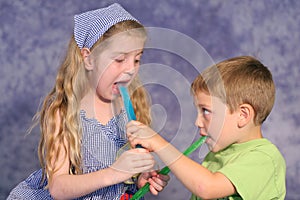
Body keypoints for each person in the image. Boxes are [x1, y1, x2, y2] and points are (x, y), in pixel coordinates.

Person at [8, 3, 169, 200]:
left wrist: (140, 176)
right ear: (89, 58)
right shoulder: (64, 112)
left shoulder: (134, 104)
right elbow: (58, 188)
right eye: (120, 59)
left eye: (136, 60)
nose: (130, 69)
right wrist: (114, 173)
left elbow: (128, 175)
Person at [127, 56, 286, 200]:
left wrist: (159, 143)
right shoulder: (218, 154)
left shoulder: (265, 159)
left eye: (206, 111)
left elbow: (206, 187)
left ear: (243, 115)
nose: (197, 122)